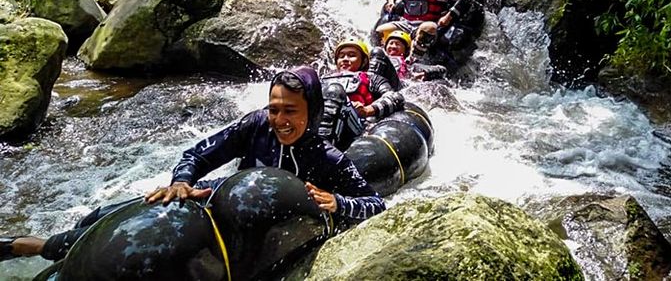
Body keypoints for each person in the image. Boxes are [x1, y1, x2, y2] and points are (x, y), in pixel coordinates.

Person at [1, 66, 385, 264]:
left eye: (291, 111)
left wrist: (338, 203)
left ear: (312, 111)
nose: (280, 120)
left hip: (252, 238)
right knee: (87, 232)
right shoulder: (255, 125)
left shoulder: (326, 156)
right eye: (274, 108)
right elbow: (197, 154)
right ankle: (19, 247)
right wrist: (181, 182)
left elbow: (375, 204)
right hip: (219, 202)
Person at [319, 38, 404, 151]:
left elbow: (395, 97)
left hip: (356, 127)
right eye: (341, 56)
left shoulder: (371, 79)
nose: (345, 59)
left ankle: (322, 150)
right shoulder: (323, 79)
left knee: (335, 91)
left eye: (351, 55)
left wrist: (367, 110)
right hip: (322, 123)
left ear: (363, 61)